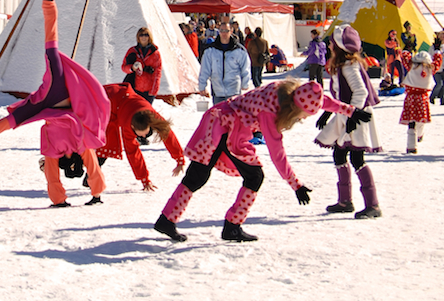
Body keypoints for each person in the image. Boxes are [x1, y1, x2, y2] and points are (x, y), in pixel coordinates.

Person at [153, 79, 367, 242]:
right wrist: (296, 185)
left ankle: (171, 220)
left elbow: (321, 101)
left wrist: (350, 111)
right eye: (304, 115)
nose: (304, 118)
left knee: (203, 175)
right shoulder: (270, 112)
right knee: (248, 175)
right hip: (222, 126)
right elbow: (277, 153)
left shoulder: (291, 91)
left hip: (226, 123)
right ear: (294, 109)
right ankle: (230, 227)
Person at [0, 0, 109, 207]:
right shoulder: (79, 144)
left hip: (47, 100)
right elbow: (87, 168)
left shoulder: (72, 145)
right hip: (51, 97)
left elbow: (60, 172)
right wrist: (96, 195)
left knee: (9, 120)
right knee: (51, 46)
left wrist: (81, 196)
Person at [315, 24, 382, 219]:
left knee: (357, 158)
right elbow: (339, 93)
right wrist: (329, 112)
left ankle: (373, 204)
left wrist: (353, 116)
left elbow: (360, 92)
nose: (329, 45)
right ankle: (345, 200)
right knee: (339, 154)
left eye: (332, 42)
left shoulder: (350, 66)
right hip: (346, 113)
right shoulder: (342, 65)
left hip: (356, 115)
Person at [95, 82, 184, 191]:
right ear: (132, 127)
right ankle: (91, 172)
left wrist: (179, 158)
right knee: (106, 143)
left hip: (123, 99)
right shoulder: (127, 125)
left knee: (106, 145)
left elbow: (167, 134)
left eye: (145, 133)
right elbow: (133, 153)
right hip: (105, 99)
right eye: (141, 134)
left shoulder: (151, 115)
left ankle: (92, 172)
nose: (144, 136)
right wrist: (144, 179)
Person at [198, 21, 251, 105]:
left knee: (233, 116)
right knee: (219, 116)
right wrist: (202, 85)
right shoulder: (211, 50)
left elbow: (245, 68)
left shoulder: (239, 51)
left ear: (231, 31)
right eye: (222, 30)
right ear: (219, 31)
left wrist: (245, 83)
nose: (224, 33)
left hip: (234, 91)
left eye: (226, 31)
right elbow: (205, 69)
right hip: (217, 91)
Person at [399, 50, 441, 153]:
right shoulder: (431, 68)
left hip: (411, 97)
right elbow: (438, 61)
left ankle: (411, 145)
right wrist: (437, 52)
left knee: (411, 120)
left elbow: (404, 56)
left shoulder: (411, 66)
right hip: (422, 97)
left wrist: (406, 50)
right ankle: (419, 135)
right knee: (421, 119)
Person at [121, 27, 162, 104]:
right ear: (138, 37)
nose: (143, 37)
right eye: (141, 35)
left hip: (148, 90)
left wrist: (154, 90)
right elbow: (123, 67)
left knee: (145, 113)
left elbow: (157, 73)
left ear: (149, 37)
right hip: (133, 88)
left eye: (146, 35)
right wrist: (132, 68)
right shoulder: (132, 51)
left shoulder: (155, 54)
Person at [430, 30, 444, 105]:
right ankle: (433, 96)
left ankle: (443, 99)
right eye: (441, 36)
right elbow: (430, 55)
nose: (443, 37)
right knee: (439, 83)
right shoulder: (434, 46)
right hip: (437, 68)